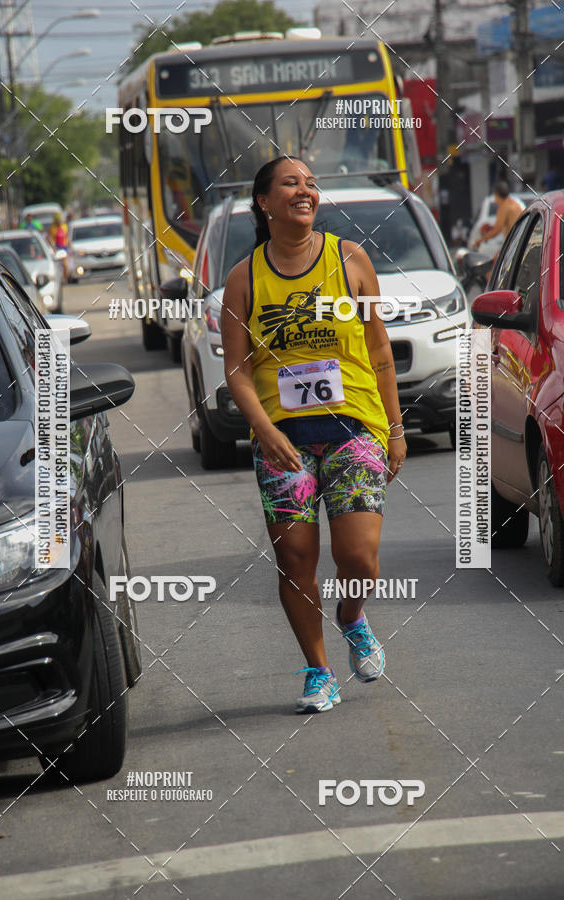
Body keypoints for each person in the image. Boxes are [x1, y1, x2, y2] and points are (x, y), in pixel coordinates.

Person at [221, 156, 406, 714]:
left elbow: (378, 349)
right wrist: (264, 428)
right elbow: (236, 370)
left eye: (310, 183)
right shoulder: (244, 278)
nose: (304, 190)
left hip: (355, 428)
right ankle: (318, 671)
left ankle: (352, 617)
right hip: (284, 441)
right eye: (290, 184)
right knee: (296, 560)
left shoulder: (350, 259)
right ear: (264, 203)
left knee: (359, 558)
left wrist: (394, 429)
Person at [473, 181, 523, 252]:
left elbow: (497, 229)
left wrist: (479, 241)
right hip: (520, 241)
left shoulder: (504, 207)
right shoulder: (515, 204)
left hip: (514, 243)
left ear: (496, 195)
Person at [48, 212, 70, 283]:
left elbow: (67, 237)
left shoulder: (65, 226)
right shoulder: (52, 228)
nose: (59, 222)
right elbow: (47, 237)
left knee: (65, 265)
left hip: (64, 248)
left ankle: (65, 279)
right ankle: (58, 279)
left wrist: (69, 245)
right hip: (57, 248)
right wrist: (52, 245)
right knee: (56, 265)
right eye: (58, 220)